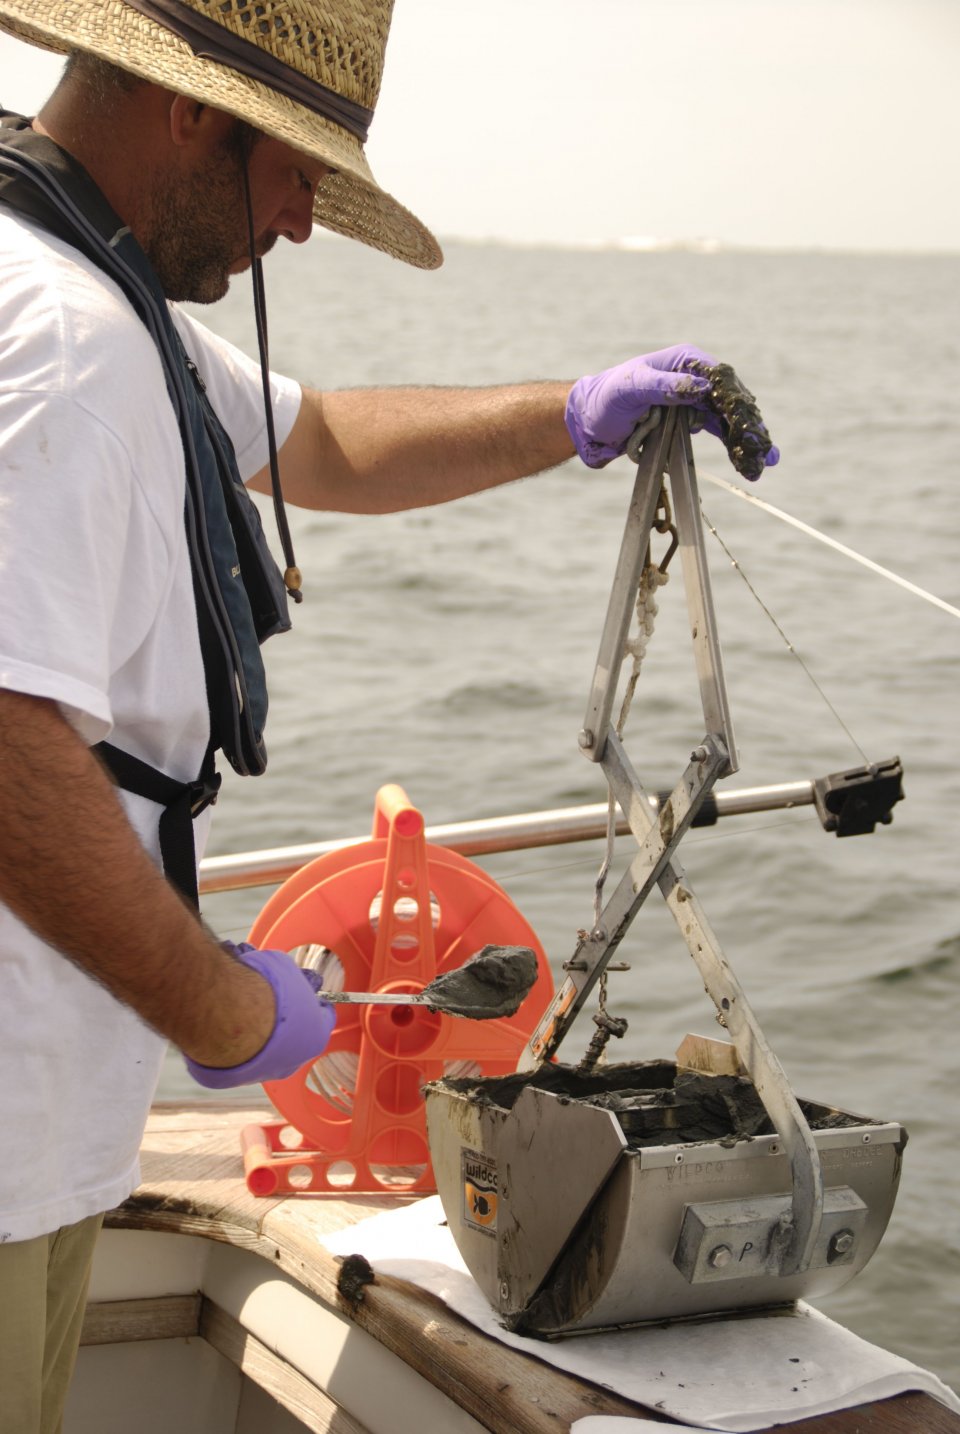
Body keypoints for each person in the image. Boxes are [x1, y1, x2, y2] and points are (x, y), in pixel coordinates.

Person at [0, 2, 778, 1429]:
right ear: (194, 113)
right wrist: (224, 1006)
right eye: (296, 166)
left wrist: (578, 412)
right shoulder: (60, 338)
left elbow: (323, 442)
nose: (300, 221)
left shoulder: (87, 291)